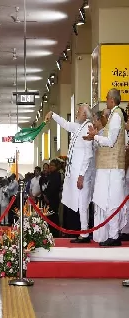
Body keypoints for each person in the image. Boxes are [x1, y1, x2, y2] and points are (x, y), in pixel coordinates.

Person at [83, 88, 127, 246]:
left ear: (112, 100)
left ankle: (114, 236)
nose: (106, 100)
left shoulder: (116, 116)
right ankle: (112, 234)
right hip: (109, 168)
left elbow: (110, 141)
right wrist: (95, 136)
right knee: (108, 201)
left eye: (107, 98)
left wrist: (95, 136)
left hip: (113, 167)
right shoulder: (115, 116)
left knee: (113, 201)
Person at [45, 104, 94, 243]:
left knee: (83, 203)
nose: (77, 113)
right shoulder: (79, 127)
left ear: (85, 114)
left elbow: (88, 155)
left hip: (82, 174)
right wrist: (52, 114)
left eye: (78, 111)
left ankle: (84, 234)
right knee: (78, 203)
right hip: (76, 174)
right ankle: (82, 232)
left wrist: (81, 175)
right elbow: (65, 124)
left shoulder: (87, 128)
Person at [44, 160, 62, 238]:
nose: (50, 167)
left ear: (56, 166)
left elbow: (54, 188)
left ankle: (55, 234)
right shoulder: (50, 175)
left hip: (53, 199)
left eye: (52, 165)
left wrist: (48, 196)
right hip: (48, 198)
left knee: (53, 216)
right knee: (49, 217)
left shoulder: (57, 175)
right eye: (50, 165)